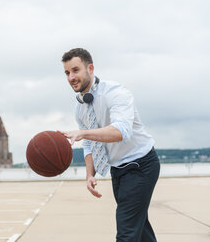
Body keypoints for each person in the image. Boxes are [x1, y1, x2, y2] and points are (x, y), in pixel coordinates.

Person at [60, 48, 160, 242]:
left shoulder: (115, 93)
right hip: (118, 170)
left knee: (126, 233)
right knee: (139, 229)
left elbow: (121, 131)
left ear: (90, 68)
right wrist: (90, 174)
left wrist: (83, 133)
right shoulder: (80, 108)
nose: (71, 77)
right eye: (67, 73)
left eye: (75, 70)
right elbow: (89, 144)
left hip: (140, 165)